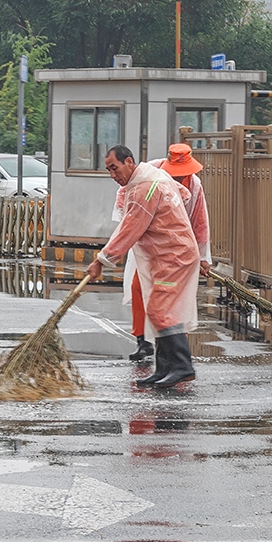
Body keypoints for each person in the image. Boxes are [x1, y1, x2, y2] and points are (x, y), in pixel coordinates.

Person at [87, 145, 200, 388]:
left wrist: (102, 260)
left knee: (161, 309)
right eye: (108, 170)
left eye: (114, 168)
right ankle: (165, 368)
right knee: (159, 309)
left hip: (173, 256)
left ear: (129, 162)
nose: (112, 175)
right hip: (168, 254)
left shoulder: (145, 188)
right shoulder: (153, 177)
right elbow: (183, 194)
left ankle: (181, 366)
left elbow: (129, 229)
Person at [116, 143, 212, 361]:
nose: (179, 179)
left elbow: (200, 222)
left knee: (172, 299)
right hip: (148, 242)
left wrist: (204, 258)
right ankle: (143, 341)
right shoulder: (150, 173)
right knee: (138, 287)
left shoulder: (195, 185)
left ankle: (175, 354)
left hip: (176, 250)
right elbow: (125, 193)